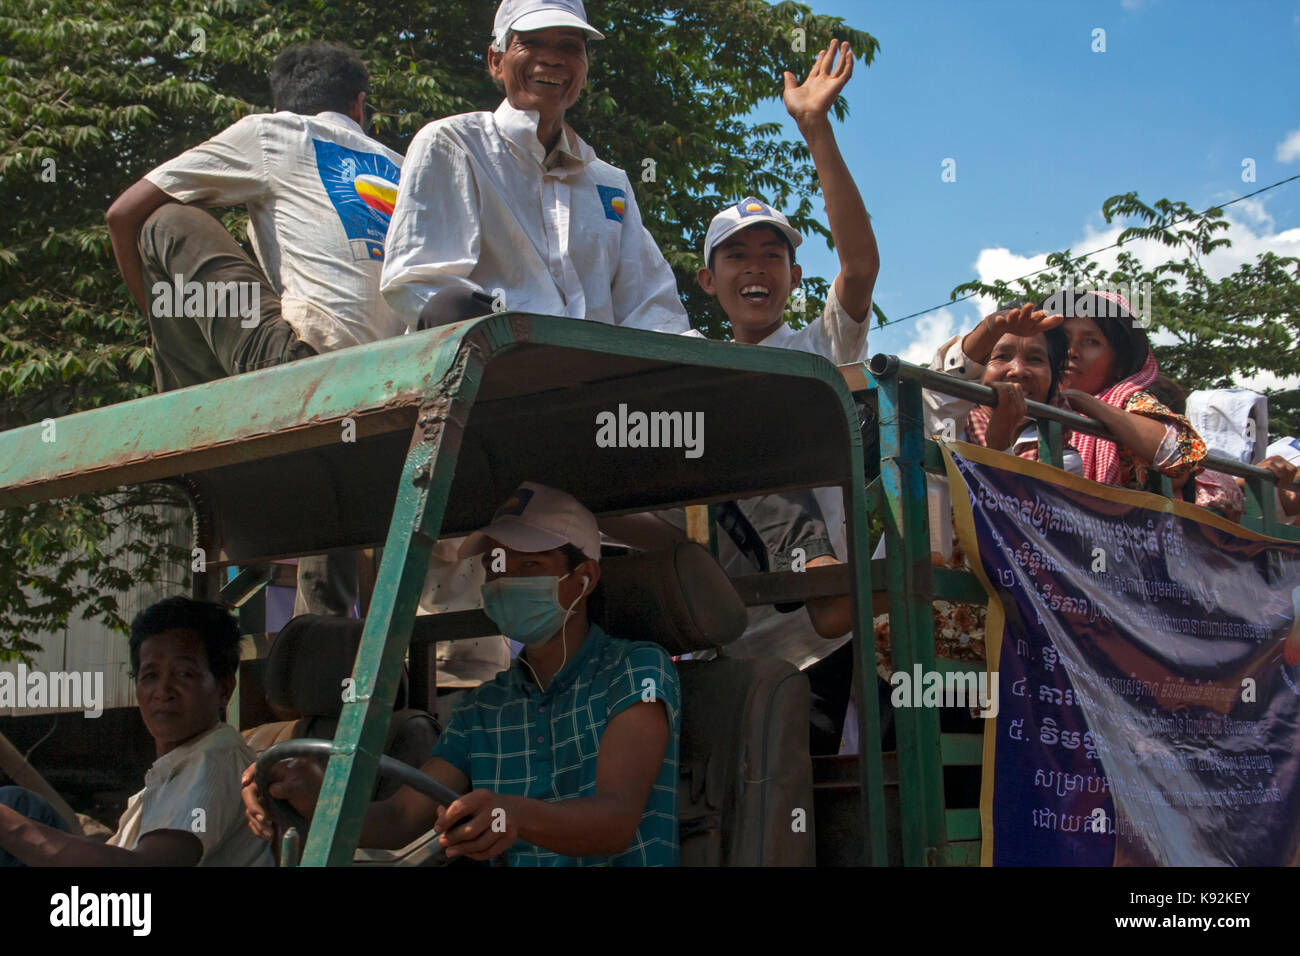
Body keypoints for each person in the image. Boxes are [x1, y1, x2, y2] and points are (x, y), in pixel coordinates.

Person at [106, 40, 405, 619]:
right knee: (337, 497)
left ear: (285, 104)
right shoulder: (405, 165)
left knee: (167, 222)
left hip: (302, 369)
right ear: (360, 106)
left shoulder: (272, 134)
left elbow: (123, 213)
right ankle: (324, 635)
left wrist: (166, 322)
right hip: (402, 381)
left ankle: (217, 456)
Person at [244, 482, 680, 866]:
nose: (505, 579)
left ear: (583, 578)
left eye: (529, 566)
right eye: (496, 566)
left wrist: (512, 814)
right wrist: (315, 794)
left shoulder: (636, 669)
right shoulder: (484, 707)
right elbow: (399, 820)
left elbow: (615, 821)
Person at [380, 0, 689, 334]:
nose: (553, 58)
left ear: (584, 70)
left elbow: (654, 308)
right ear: (496, 61)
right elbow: (419, 283)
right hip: (490, 371)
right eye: (532, 42)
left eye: (570, 47)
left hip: (594, 380)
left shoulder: (609, 184)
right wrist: (517, 344)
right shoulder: (454, 145)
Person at [0, 598, 273, 866]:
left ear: (223, 689)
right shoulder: (178, 765)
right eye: (150, 676)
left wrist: (12, 829)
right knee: (18, 804)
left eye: (184, 674)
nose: (163, 692)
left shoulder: (213, 762)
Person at [1055, 290, 1206, 490]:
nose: (1071, 351)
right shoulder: (1030, 393)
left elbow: (1183, 453)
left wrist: (1087, 404)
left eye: (1092, 341)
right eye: (1063, 340)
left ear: (1119, 363)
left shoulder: (1128, 401)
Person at [924, 301, 1081, 473]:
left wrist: (1000, 445)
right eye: (1002, 356)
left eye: (1035, 359)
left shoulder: (1062, 459)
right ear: (979, 369)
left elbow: (1024, 499)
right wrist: (989, 329)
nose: (1018, 371)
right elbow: (940, 400)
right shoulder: (953, 424)